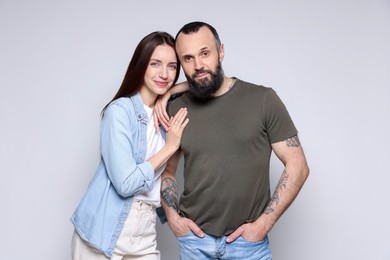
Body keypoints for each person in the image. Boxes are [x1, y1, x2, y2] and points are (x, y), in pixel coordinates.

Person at [157, 21, 310, 259]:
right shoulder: (176, 108)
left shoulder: (263, 100)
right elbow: (167, 171)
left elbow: (298, 166)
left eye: (205, 53)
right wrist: (173, 218)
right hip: (194, 244)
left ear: (221, 52)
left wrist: (262, 226)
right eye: (188, 58)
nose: (198, 65)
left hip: (249, 246)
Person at [70, 31, 189, 260]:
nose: (164, 74)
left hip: (144, 232)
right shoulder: (119, 112)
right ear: (141, 64)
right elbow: (125, 184)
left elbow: (210, 81)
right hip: (103, 231)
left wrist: (169, 93)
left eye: (172, 66)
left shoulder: (167, 114)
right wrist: (170, 148)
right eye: (155, 64)